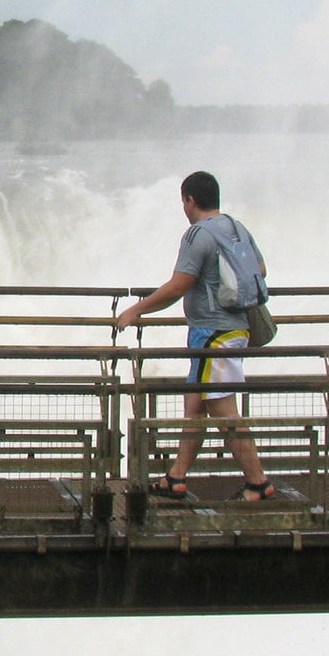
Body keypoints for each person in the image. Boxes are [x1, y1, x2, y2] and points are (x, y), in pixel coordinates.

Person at [112, 171, 280, 501]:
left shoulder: (197, 234)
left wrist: (136, 310)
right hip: (234, 328)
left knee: (222, 410)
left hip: (212, 335)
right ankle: (176, 478)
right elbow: (260, 270)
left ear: (190, 200)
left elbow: (179, 285)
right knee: (196, 405)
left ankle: (258, 481)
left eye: (183, 202)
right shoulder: (235, 227)